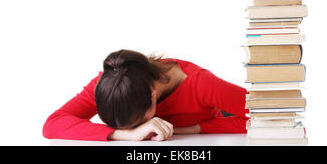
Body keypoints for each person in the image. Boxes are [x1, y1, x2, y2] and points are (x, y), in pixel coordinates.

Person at [42, 49, 249, 141]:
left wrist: (186, 130)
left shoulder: (200, 83)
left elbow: (265, 115)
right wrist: (125, 135)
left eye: (136, 123)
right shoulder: (109, 85)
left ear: (152, 95)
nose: (137, 130)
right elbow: (53, 124)